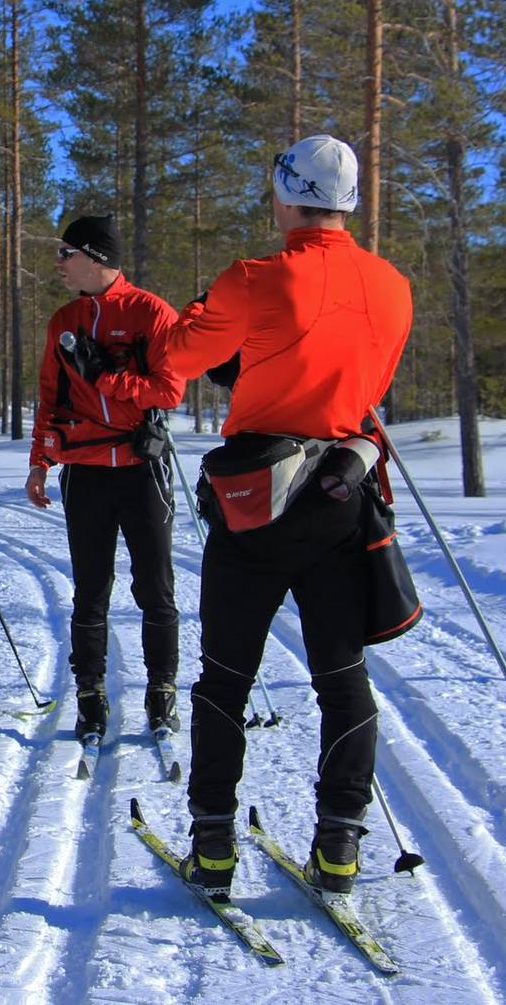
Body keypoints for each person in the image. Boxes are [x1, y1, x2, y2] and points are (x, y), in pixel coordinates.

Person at [164, 134, 412, 897]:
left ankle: (213, 847)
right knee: (343, 676)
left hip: (257, 501)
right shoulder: (393, 286)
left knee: (225, 678)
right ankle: (338, 847)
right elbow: (362, 383)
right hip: (340, 491)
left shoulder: (252, 278)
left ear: (286, 194)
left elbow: (178, 356)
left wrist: (210, 323)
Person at [25, 215, 185, 741]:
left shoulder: (151, 312)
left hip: (141, 470)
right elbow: (50, 396)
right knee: (91, 591)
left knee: (155, 588)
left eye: (66, 252)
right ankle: (90, 697)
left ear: (96, 257)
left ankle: (162, 693)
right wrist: (40, 462)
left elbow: (169, 390)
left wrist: (106, 378)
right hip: (86, 473)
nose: (59, 263)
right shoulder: (64, 320)